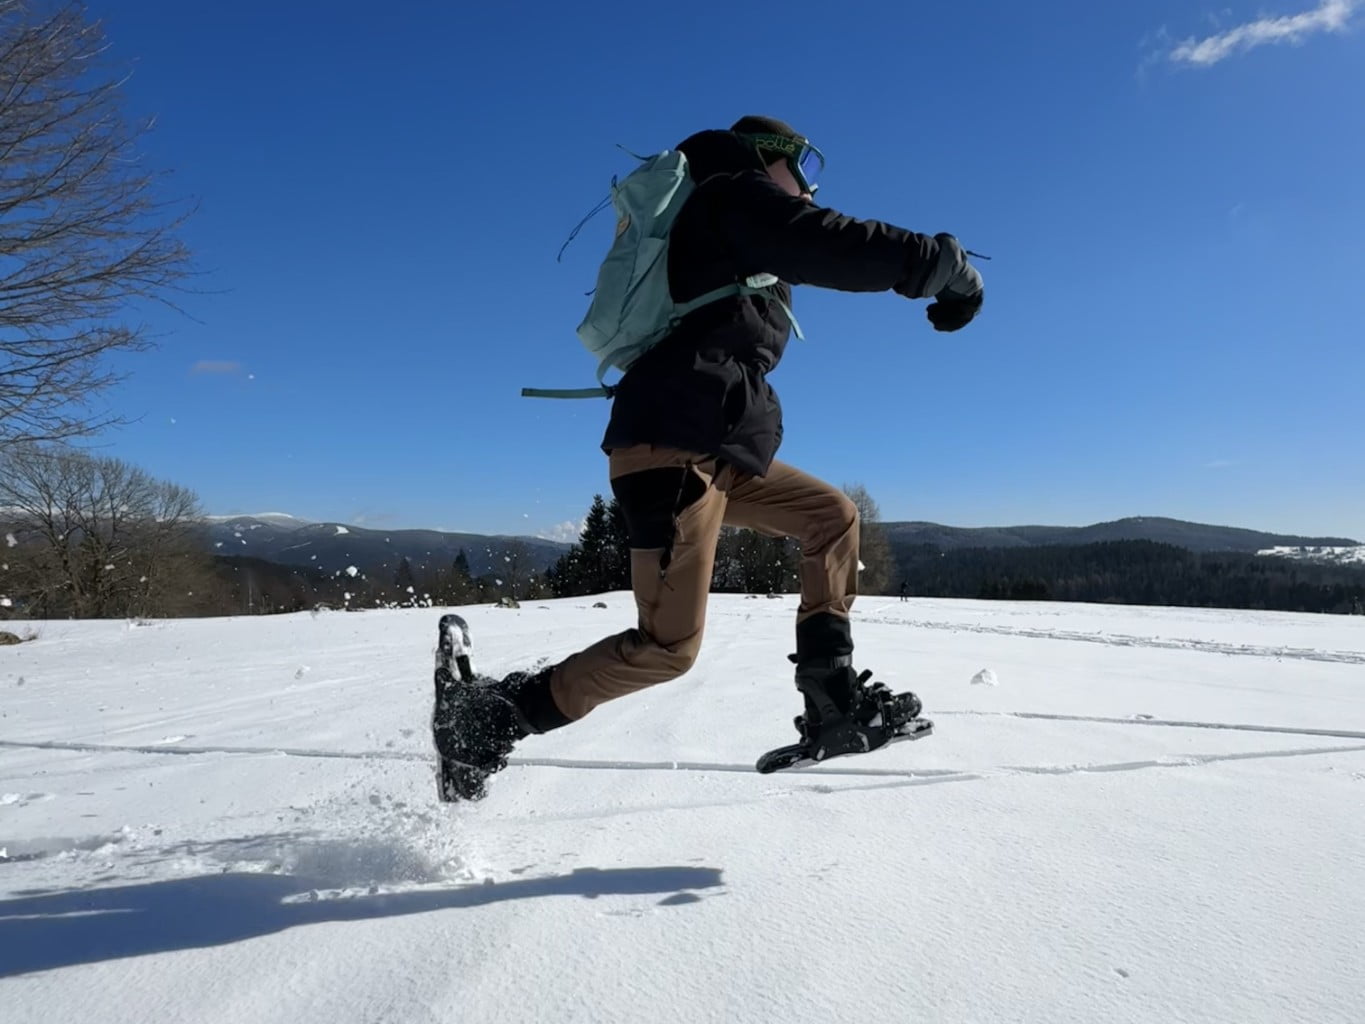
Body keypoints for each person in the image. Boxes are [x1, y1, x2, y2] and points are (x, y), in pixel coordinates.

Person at [434, 115, 984, 798]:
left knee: (831, 516)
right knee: (668, 648)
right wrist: (938, 265)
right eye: (804, 167)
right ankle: (486, 721)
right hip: (669, 450)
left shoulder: (728, 221)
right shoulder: (729, 193)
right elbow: (825, 243)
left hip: (716, 449)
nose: (810, 187)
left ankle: (832, 700)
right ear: (768, 156)